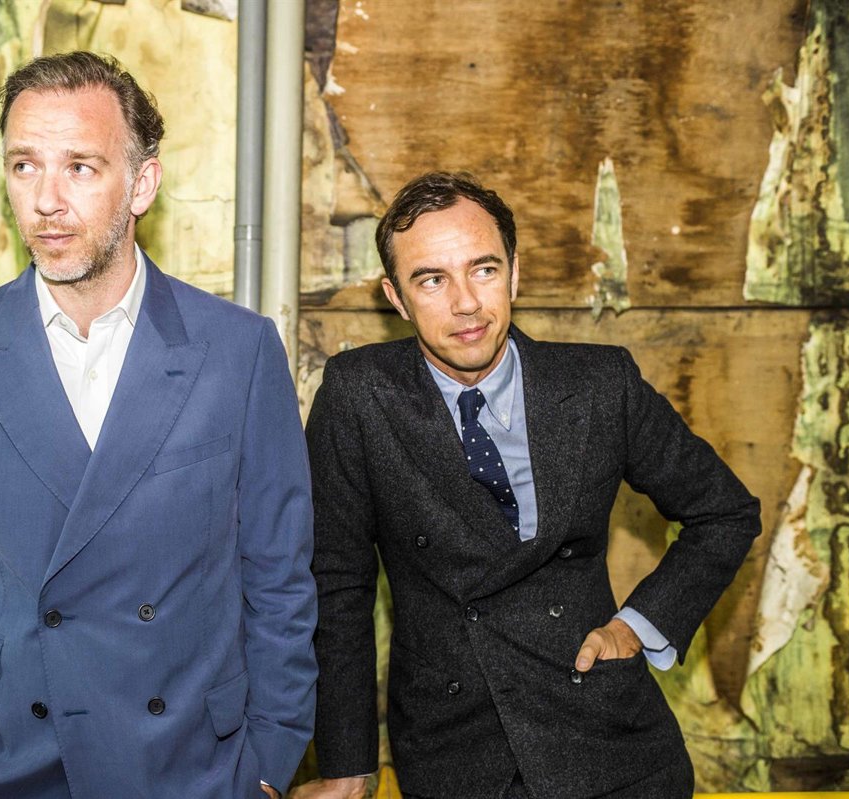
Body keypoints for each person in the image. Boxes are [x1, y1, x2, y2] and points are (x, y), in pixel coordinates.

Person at [0, 52, 316, 799]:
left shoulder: (238, 352)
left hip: (187, 768)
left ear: (142, 184)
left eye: (80, 167)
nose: (46, 200)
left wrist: (267, 765)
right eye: (24, 166)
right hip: (2, 766)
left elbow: (279, 580)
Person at [299, 172, 760, 799]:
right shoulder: (359, 394)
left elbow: (724, 512)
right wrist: (348, 764)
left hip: (610, 740)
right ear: (396, 298)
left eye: (483, 270)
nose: (466, 303)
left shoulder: (600, 384)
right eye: (432, 280)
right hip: (455, 750)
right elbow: (337, 583)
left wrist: (638, 625)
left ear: (514, 274)